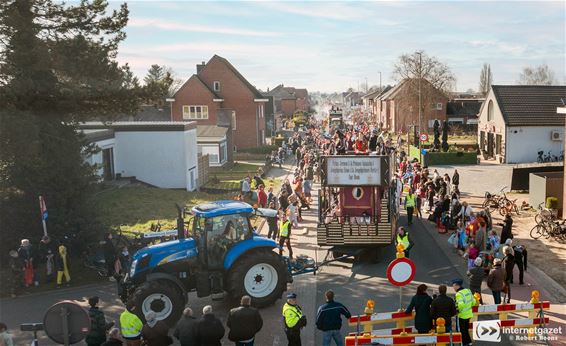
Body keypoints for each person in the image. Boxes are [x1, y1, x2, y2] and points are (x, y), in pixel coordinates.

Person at [452, 278, 476, 346]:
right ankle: (468, 342)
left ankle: (463, 344)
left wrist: (456, 310)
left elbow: (460, 305)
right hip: (468, 314)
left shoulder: (458, 294)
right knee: (465, 329)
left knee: (461, 331)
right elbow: (473, 302)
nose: (453, 287)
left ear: (457, 285)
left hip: (461, 315)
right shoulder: (468, 290)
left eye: (453, 285)